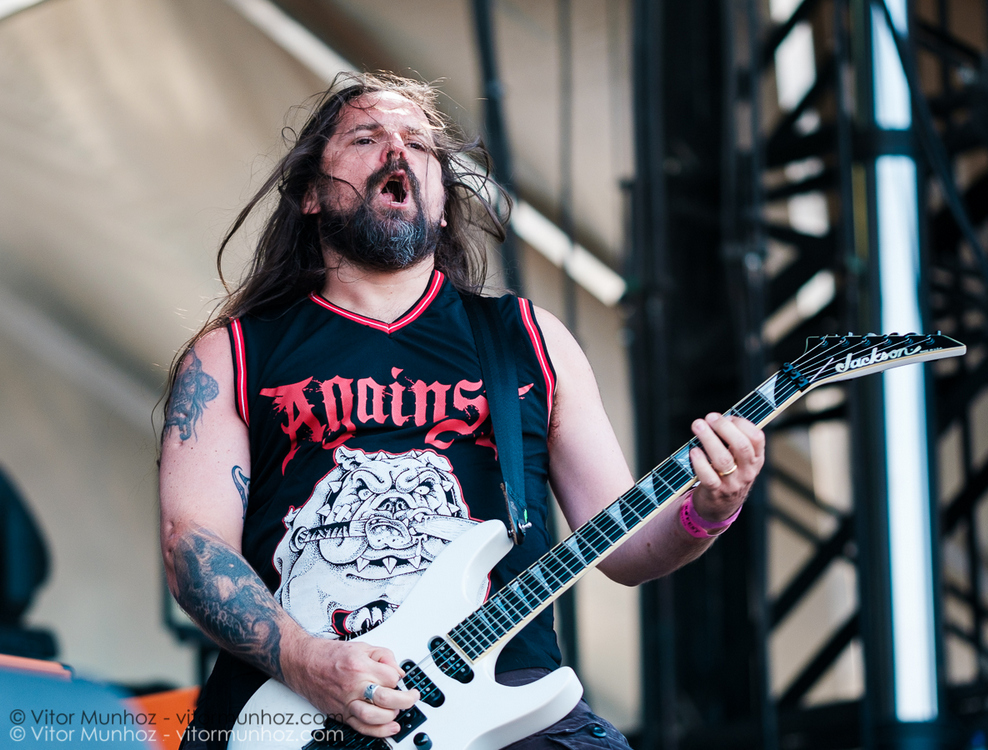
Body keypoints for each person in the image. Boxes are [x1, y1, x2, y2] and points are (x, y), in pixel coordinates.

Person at [159, 72, 765, 750]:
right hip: (291, 717)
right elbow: (193, 547)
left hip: (507, 709)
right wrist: (310, 663)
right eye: (367, 137)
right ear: (309, 195)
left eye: (419, 144)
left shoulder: (527, 340)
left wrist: (708, 513)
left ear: (444, 203)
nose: (397, 151)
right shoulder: (233, 355)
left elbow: (624, 548)